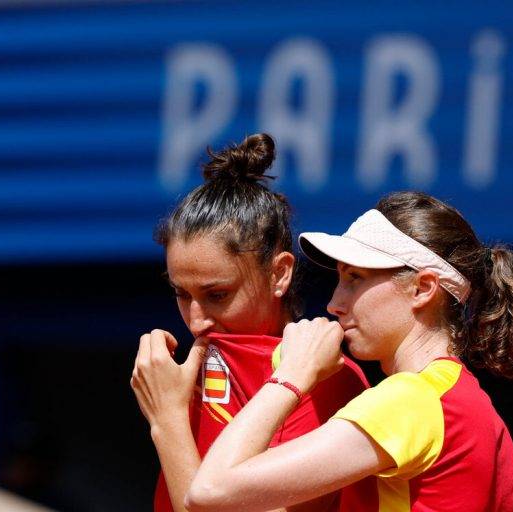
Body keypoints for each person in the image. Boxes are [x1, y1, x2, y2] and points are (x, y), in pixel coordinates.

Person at [186, 191, 513, 512]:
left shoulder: (409, 400)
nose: (334, 303)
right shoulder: (475, 408)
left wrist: (291, 376)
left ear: (423, 288)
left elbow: (209, 489)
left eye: (354, 279)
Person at [129, 133, 371, 512]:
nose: (196, 322)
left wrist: (167, 421)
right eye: (181, 293)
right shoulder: (181, 374)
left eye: (217, 295)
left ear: (279, 274)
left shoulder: (331, 382)